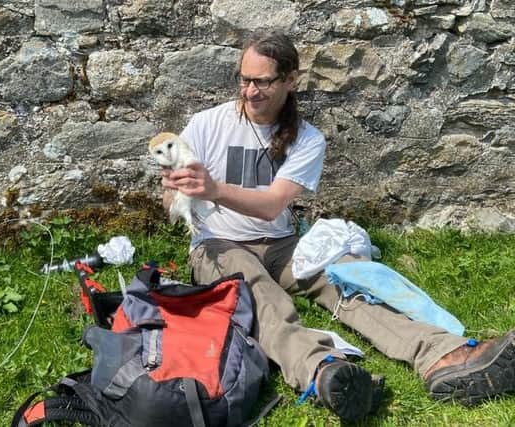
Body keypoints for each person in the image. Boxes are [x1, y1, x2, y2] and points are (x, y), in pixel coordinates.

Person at [160, 30, 515, 422]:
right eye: (245, 79)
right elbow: (170, 202)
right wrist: (178, 192)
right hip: (218, 243)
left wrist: (213, 188)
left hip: (280, 241)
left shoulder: (308, 139)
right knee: (261, 297)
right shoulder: (207, 123)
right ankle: (324, 371)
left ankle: (441, 355)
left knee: (349, 280)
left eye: (262, 81)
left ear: (290, 80)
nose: (250, 91)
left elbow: (271, 206)